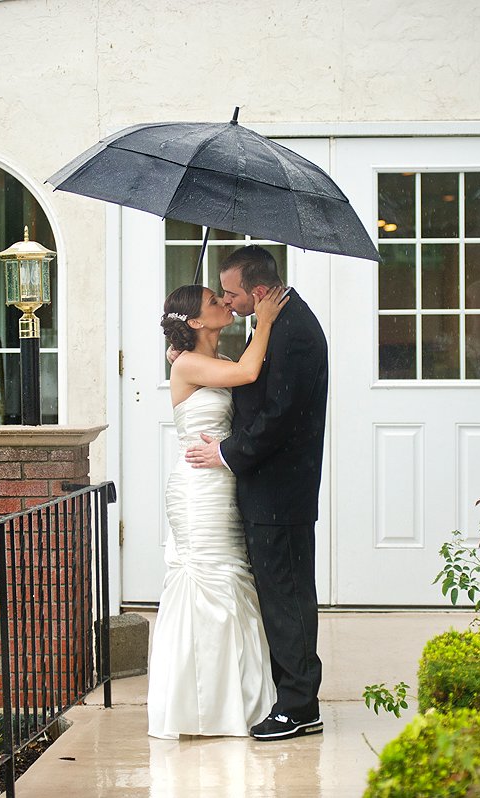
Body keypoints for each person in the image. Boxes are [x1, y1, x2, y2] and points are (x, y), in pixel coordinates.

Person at [184, 245, 328, 741]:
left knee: (286, 597)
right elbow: (251, 388)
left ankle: (298, 707)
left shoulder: (296, 332)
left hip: (280, 491)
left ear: (260, 291)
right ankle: (291, 696)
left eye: (232, 292)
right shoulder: (274, 325)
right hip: (265, 490)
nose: (227, 300)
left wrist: (226, 453)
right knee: (277, 594)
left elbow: (278, 420)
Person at [147, 281, 289, 740]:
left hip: (224, 480)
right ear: (194, 322)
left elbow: (246, 379)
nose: (224, 303)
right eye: (214, 301)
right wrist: (262, 321)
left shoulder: (216, 361)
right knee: (208, 579)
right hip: (196, 488)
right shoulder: (188, 363)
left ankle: (238, 700)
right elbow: (250, 373)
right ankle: (200, 706)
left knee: (233, 579)